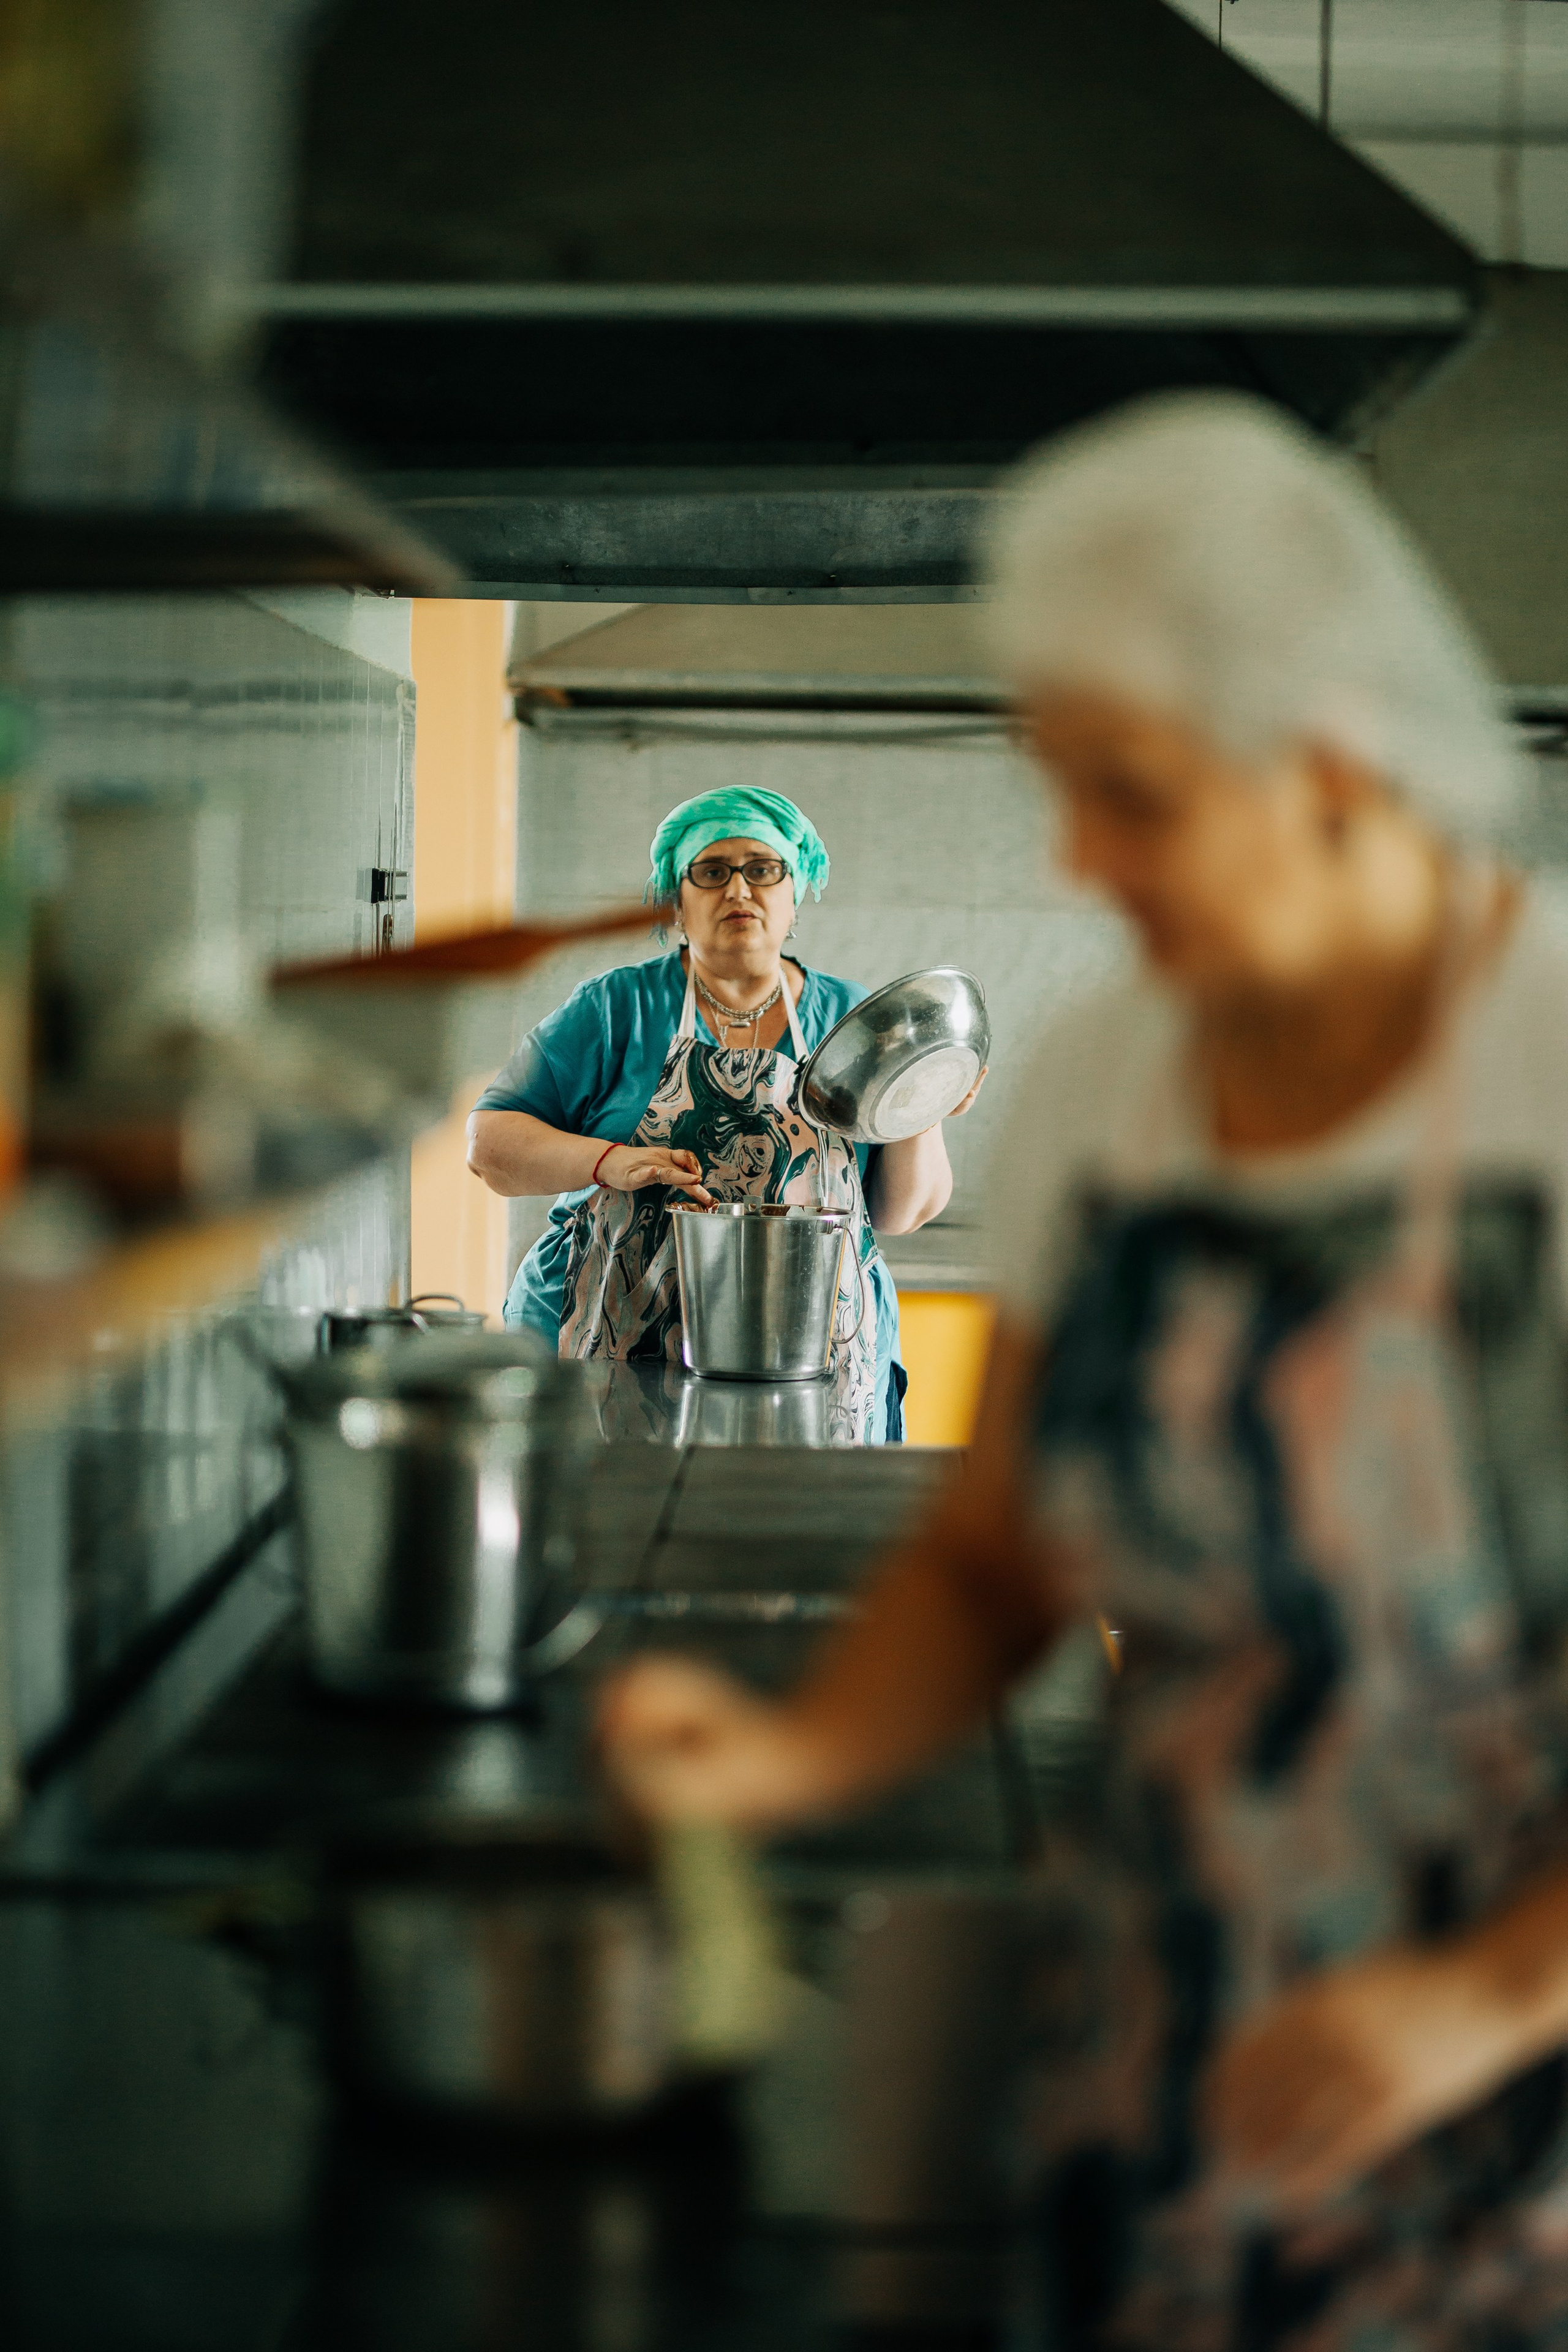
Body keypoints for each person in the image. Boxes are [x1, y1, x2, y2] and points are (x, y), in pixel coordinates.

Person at [598, 395, 1568, 2347]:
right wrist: (794, 1757)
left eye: (1129, 790)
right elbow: (990, 1560)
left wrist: (1475, 1996)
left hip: (1506, 2109)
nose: (1075, 853)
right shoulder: (1112, 1073)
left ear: (1327, 755)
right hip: (1154, 2036)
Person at [467, 785, 983, 1442]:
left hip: (812, 1354)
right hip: (604, 1338)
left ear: (794, 896)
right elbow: (489, 1144)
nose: (738, 891)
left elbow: (898, 1213)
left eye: (762, 869)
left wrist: (920, 1100)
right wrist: (609, 1161)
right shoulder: (612, 1011)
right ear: (676, 903)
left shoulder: (856, 1021)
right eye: (711, 872)